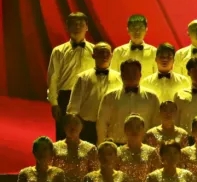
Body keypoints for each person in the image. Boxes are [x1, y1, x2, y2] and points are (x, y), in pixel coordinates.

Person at [48, 12, 95, 140]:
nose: (77, 27)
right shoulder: (58, 51)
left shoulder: (94, 50)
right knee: (63, 135)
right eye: (74, 24)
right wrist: (54, 103)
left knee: (88, 134)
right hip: (65, 96)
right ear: (67, 27)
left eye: (81, 24)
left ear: (86, 27)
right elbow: (53, 78)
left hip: (87, 96)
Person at [66, 43, 121, 145]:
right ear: (93, 55)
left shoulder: (120, 77)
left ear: (111, 55)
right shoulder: (82, 77)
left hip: (111, 125)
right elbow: (74, 104)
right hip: (88, 125)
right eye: (101, 52)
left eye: (107, 53)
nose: (104, 56)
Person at [97, 59, 160, 143]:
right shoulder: (109, 97)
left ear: (140, 74)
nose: (131, 75)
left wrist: (155, 144)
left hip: (144, 146)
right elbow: (102, 124)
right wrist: (103, 145)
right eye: (127, 72)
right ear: (121, 75)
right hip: (116, 145)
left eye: (134, 72)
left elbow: (157, 125)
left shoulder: (152, 98)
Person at [115, 115, 160, 182]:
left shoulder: (151, 152)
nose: (134, 130)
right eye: (131, 127)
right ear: (125, 130)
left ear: (143, 131)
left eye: (138, 127)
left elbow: (157, 177)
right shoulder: (117, 152)